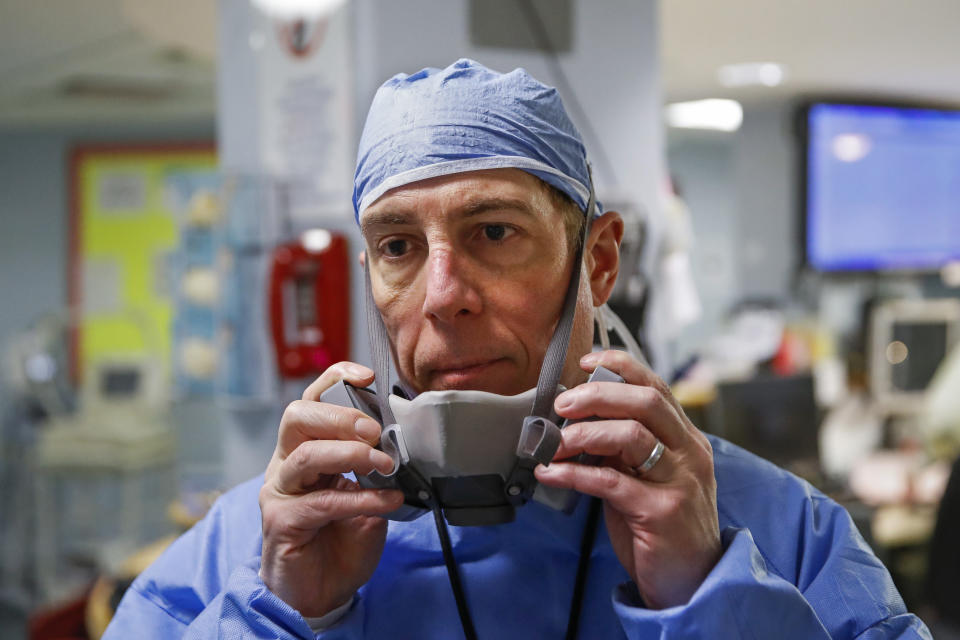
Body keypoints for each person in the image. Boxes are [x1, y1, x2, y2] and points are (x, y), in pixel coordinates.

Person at [104, 59, 931, 639]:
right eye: (398, 247)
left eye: (493, 232)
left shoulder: (779, 533)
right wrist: (292, 616)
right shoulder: (256, 545)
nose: (442, 294)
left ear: (598, 263)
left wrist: (708, 599)